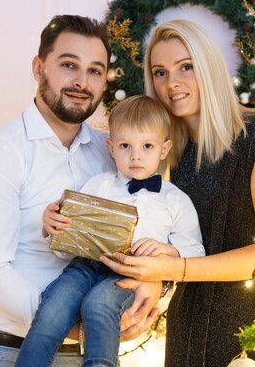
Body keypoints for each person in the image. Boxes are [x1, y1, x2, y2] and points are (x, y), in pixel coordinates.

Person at [0, 15, 162, 367]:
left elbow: (148, 226)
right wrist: (73, 323)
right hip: (14, 350)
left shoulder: (113, 152)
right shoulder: (0, 152)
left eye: (95, 71)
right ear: (39, 68)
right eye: (69, 65)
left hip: (92, 354)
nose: (81, 82)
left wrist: (152, 283)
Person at [100, 19, 255, 367]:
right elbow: (169, 244)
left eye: (185, 67)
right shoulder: (168, 156)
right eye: (160, 72)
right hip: (188, 329)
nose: (172, 83)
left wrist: (178, 268)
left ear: (207, 67)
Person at [15, 94, 205, 367]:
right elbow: (70, 236)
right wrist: (52, 225)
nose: (135, 155)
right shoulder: (98, 185)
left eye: (147, 146)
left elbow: (195, 252)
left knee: (98, 304)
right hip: (85, 266)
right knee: (52, 306)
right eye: (125, 145)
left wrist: (168, 250)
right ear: (111, 147)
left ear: (164, 150)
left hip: (130, 273)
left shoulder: (175, 199)